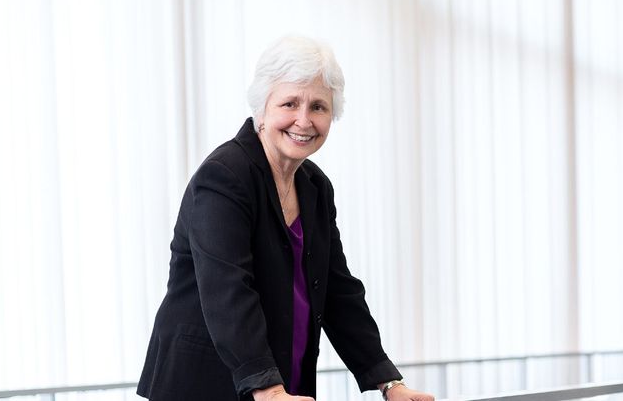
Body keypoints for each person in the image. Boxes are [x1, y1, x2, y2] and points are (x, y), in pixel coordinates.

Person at [137, 35, 434, 401]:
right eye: (290, 103)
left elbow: (339, 292)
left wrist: (389, 383)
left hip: (282, 383)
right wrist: (268, 389)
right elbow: (227, 289)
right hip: (209, 383)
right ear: (261, 109)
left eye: (319, 107)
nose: (304, 120)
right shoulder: (224, 177)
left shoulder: (315, 187)